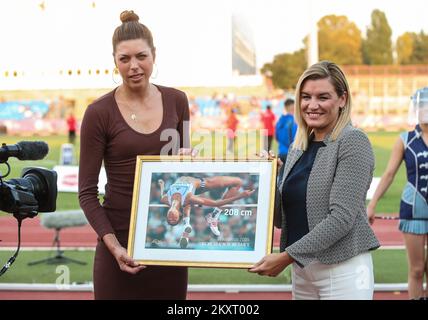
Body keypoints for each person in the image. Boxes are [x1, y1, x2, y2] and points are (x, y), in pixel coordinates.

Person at [78, 10, 192, 300]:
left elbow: (183, 172)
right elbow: (87, 193)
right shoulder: (98, 113)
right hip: (118, 241)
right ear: (114, 61)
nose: (134, 66)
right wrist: (114, 247)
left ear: (154, 55)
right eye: (124, 59)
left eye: (141, 56)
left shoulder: (177, 100)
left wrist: (191, 163)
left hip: (168, 238)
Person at [249, 61, 380, 300]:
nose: (312, 105)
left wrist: (286, 257)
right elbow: (282, 219)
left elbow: (341, 218)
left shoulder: (353, 141)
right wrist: (266, 178)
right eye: (306, 96)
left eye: (323, 97)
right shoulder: (297, 147)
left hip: (343, 270)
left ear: (342, 99)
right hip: (303, 272)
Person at [367, 87, 428, 300]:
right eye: (421, 106)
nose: (424, 111)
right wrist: (372, 204)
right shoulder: (405, 139)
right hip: (413, 210)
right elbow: (389, 173)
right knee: (417, 269)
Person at [158, 175, 255, 248]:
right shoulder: (188, 198)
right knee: (237, 182)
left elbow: (162, 193)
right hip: (203, 184)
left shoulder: (165, 199)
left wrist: (162, 185)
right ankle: (214, 215)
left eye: (169, 218)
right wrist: (241, 196)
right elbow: (216, 203)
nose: (171, 217)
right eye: (174, 219)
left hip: (192, 190)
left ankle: (187, 224)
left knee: (187, 205)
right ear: (179, 214)